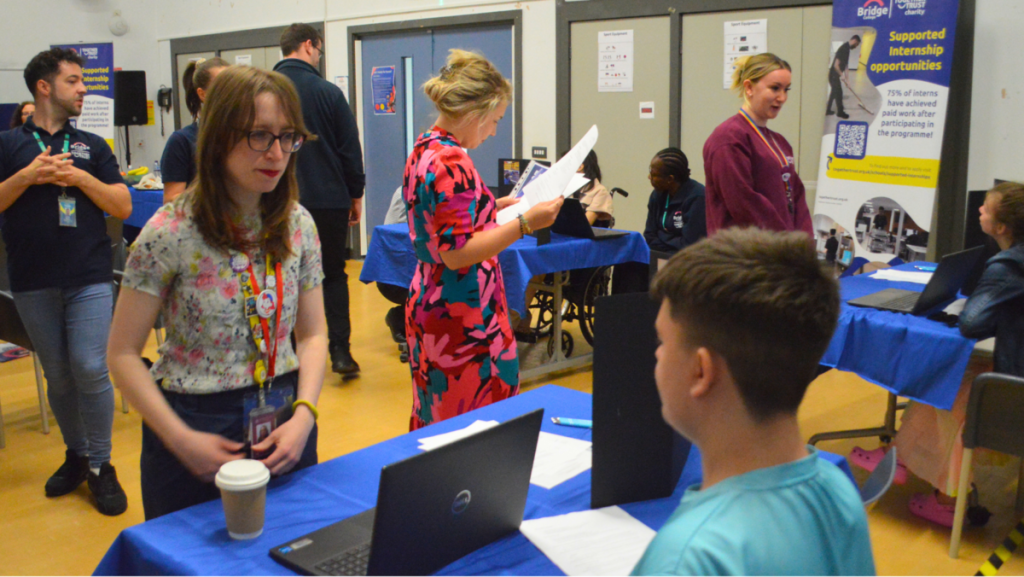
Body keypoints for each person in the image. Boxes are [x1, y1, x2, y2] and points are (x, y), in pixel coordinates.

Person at [107, 66, 326, 520]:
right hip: (194, 423)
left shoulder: (298, 224)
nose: (277, 152)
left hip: (285, 415)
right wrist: (179, 437)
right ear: (220, 136)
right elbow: (123, 354)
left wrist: (304, 415)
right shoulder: (169, 231)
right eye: (259, 135)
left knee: (293, 547)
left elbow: (313, 335)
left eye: (287, 137)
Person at [633, 228, 875, 576]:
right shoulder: (838, 489)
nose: (657, 354)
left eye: (663, 341)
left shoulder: (686, 559)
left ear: (701, 371)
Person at [0, 48, 131, 515]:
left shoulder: (93, 146)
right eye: (74, 81)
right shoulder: (8, 144)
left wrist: (78, 179)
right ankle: (76, 455)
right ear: (43, 87)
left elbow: (122, 205)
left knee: (90, 367)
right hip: (32, 280)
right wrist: (27, 177)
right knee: (56, 373)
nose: (83, 90)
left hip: (89, 276)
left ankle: (100, 464)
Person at [404, 49, 562, 431]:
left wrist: (493, 207)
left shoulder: (426, 148)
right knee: (473, 423)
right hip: (463, 313)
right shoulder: (452, 162)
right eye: (494, 121)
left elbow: (446, 221)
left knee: (436, 413)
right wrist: (525, 222)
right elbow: (457, 252)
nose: (493, 131)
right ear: (475, 113)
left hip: (433, 301)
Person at [858, 181, 1024, 527]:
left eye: (986, 208)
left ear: (1002, 227)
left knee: (947, 386)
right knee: (953, 375)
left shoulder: (1008, 266)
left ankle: (945, 499)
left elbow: (971, 323)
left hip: (1014, 386)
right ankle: (901, 459)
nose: (979, 210)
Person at [274, 23, 365, 378]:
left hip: (278, 201)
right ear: (310, 46)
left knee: (281, 277)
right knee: (332, 275)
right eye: (320, 50)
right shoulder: (328, 92)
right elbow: (349, 148)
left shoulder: (264, 91)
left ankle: (286, 355)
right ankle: (340, 352)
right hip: (329, 200)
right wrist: (354, 194)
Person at [703, 53, 812, 237]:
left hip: (782, 252)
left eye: (786, 89)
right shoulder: (729, 138)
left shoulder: (780, 142)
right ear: (749, 87)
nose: (782, 97)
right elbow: (743, 203)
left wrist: (804, 243)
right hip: (746, 256)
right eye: (775, 88)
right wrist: (784, 242)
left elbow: (797, 196)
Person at [159, 57, 228, 204]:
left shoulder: (244, 135)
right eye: (221, 88)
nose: (230, 94)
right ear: (202, 94)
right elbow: (171, 199)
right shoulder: (181, 141)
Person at [643, 147, 706, 254]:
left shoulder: (697, 197)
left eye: (654, 175)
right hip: (660, 254)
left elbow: (690, 244)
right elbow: (649, 235)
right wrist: (669, 244)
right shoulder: (657, 194)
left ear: (670, 179)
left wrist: (662, 237)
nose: (649, 177)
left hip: (688, 259)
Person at [572, 150, 614, 227]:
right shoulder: (567, 189)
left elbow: (584, 226)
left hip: (584, 237)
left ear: (580, 167)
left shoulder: (599, 191)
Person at [827, 35, 861, 120]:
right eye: (856, 44)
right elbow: (836, 65)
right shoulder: (843, 48)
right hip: (833, 75)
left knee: (834, 92)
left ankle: (827, 110)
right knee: (839, 93)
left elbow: (846, 66)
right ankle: (840, 112)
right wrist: (841, 75)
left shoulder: (847, 49)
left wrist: (848, 80)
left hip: (835, 75)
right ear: (854, 40)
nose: (856, 47)